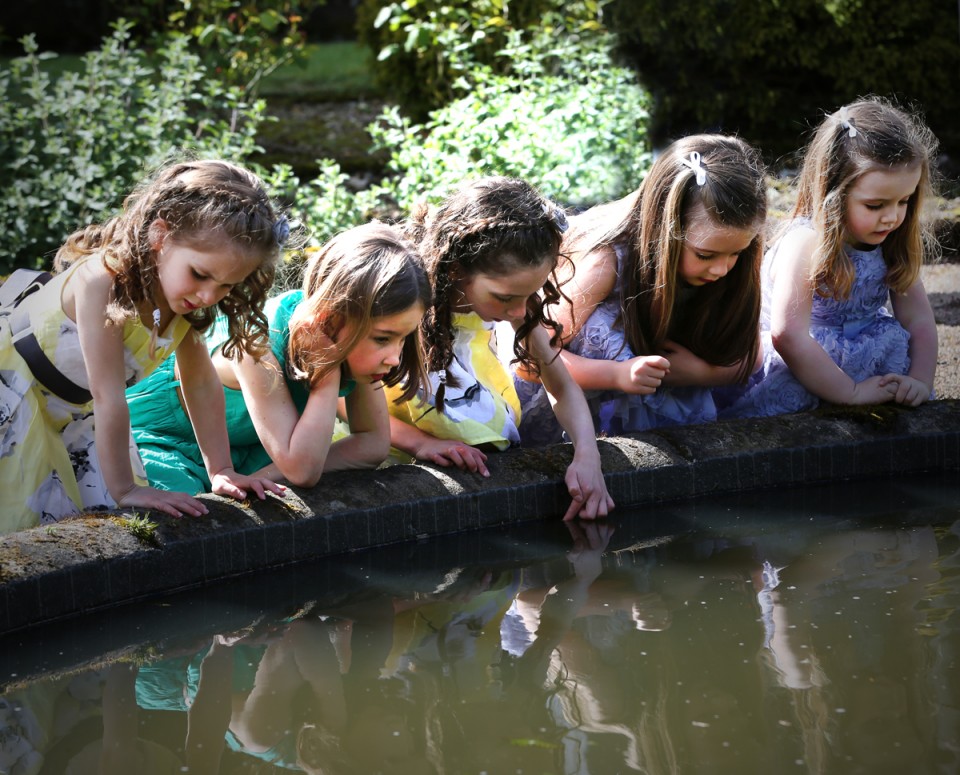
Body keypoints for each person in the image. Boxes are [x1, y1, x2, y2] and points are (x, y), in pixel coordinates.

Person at [0, 159, 284, 536]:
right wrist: (126, 489)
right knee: (20, 530)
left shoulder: (181, 300)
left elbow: (199, 386)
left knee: (91, 530)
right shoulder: (100, 281)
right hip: (17, 398)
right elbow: (107, 396)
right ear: (160, 236)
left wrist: (221, 469)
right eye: (200, 274)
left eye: (226, 287)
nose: (207, 295)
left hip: (73, 417)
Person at [128, 221, 430, 492]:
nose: (394, 357)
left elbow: (373, 444)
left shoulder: (349, 340)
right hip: (163, 439)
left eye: (403, 339)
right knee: (184, 507)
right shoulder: (257, 344)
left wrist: (266, 475)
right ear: (330, 317)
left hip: (247, 452)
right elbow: (302, 471)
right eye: (383, 339)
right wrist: (327, 376)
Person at [386, 176, 615, 521]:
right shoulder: (407, 302)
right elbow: (349, 398)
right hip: (393, 455)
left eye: (529, 295)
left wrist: (587, 455)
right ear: (456, 269)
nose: (520, 312)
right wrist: (420, 443)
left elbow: (563, 387)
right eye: (505, 297)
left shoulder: (517, 307)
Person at [516, 134, 766, 440]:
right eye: (705, 255)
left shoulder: (732, 268)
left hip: (658, 398)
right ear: (664, 229)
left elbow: (751, 355)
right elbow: (529, 359)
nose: (722, 269)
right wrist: (615, 375)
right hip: (572, 400)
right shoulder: (607, 264)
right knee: (605, 326)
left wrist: (701, 373)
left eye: (737, 253)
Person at [717, 97, 939, 418]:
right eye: (875, 205)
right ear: (834, 192)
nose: (892, 217)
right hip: (803, 363)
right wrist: (849, 393)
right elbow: (788, 335)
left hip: (870, 359)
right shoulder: (805, 241)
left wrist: (919, 379)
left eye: (904, 201)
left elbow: (918, 320)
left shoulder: (891, 242)